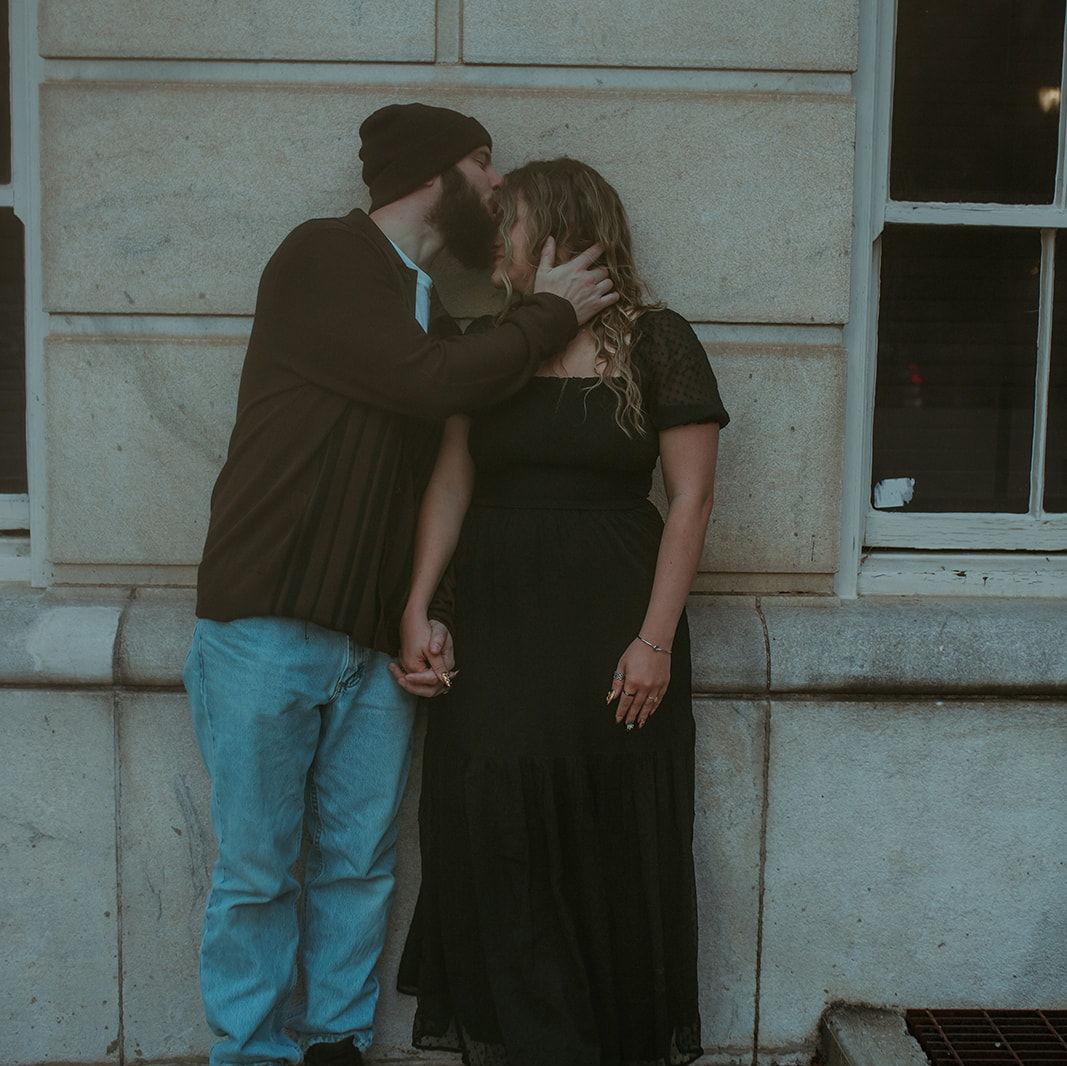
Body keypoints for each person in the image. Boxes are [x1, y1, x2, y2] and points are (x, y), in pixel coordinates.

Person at [183, 107, 618, 1066]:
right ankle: (251, 1054)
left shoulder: (434, 313)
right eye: (483, 163)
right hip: (266, 625)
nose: (496, 184)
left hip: (375, 641)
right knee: (258, 871)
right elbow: (428, 382)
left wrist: (432, 613)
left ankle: (335, 1045)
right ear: (433, 174)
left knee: (358, 865)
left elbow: (441, 483)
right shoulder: (324, 256)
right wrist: (552, 312)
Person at [391, 158, 731, 1066]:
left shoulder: (656, 340)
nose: (490, 240)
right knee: (495, 828)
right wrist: (419, 606)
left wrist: (654, 641)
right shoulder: (489, 343)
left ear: (555, 230)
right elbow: (450, 482)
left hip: (613, 630)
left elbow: (691, 500)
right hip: (498, 629)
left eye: (506, 221)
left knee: (605, 841)